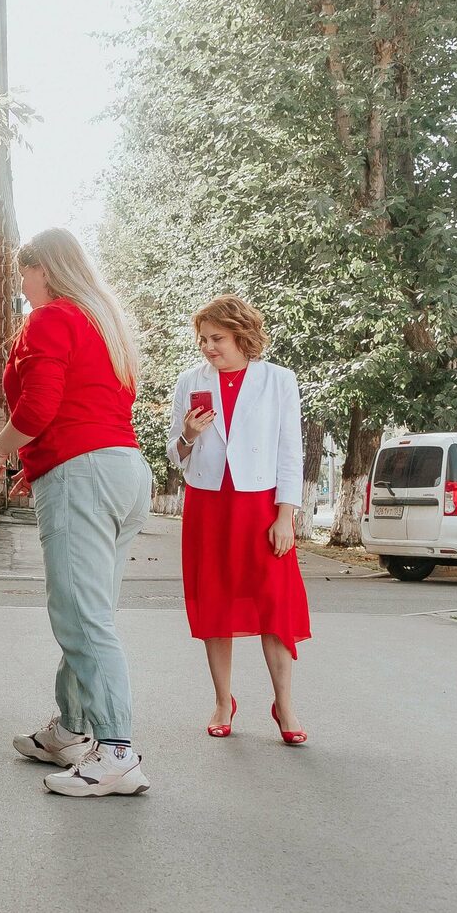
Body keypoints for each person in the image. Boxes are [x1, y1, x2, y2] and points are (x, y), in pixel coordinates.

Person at [0, 227, 153, 797]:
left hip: (83, 474)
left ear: (45, 270)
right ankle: (74, 729)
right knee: (90, 609)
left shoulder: (51, 318)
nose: (24, 286)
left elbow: (39, 406)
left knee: (81, 616)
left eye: (26, 273)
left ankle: (117, 752)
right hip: (122, 471)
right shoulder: (103, 324)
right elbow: (90, 406)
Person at [166, 295, 311, 745]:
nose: (208, 347)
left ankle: (283, 704)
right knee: (216, 603)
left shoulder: (278, 381)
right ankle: (223, 700)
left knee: (273, 603)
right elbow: (174, 454)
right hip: (208, 505)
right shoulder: (190, 381)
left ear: (242, 336)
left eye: (217, 339)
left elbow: (291, 451)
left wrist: (285, 515)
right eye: (203, 339)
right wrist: (189, 433)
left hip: (261, 507)